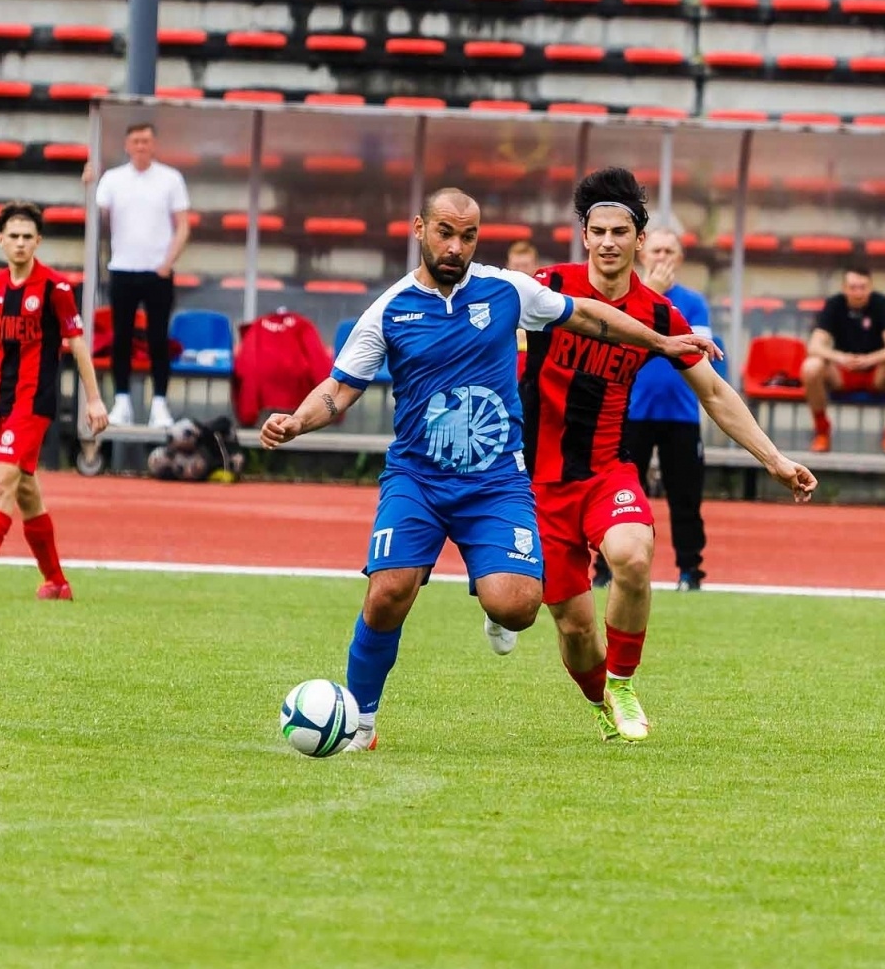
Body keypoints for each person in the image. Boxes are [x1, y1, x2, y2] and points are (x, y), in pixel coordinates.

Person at [260, 188, 716, 752]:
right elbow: (338, 390)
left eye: (468, 236)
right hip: (418, 479)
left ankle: (495, 591)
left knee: (519, 607)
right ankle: (363, 723)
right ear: (420, 228)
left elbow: (591, 317)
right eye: (445, 233)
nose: (456, 247)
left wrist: (660, 342)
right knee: (388, 592)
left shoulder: (506, 290)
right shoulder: (390, 309)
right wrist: (295, 423)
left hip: (496, 481)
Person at [518, 168, 817, 743]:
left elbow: (713, 392)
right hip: (539, 484)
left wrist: (774, 460)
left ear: (639, 238)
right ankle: (600, 696)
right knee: (576, 629)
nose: (608, 242)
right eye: (597, 230)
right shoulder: (546, 287)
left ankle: (624, 683)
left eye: (620, 231)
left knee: (632, 555)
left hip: (608, 469)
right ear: (584, 236)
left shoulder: (658, 313)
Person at [0, 203, 110, 600]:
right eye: (13, 236)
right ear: (1, 240)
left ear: (38, 242)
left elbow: (78, 344)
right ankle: (57, 583)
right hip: (0, 400)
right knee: (27, 491)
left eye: (27, 237)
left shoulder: (55, 288)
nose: (19, 243)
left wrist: (94, 400)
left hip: (33, 402)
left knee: (1, 481)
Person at [616, 224, 721, 591]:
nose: (661, 257)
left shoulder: (692, 303)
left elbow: (700, 352)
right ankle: (605, 568)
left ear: (680, 258)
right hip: (632, 411)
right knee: (619, 492)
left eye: (668, 252)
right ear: (642, 254)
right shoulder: (629, 298)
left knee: (685, 497)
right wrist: (651, 295)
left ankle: (690, 571)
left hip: (680, 414)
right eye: (656, 251)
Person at [88, 122, 191, 429]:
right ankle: (121, 401)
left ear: (154, 144)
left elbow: (183, 224)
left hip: (157, 271)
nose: (141, 146)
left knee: (158, 338)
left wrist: (168, 262)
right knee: (122, 336)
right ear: (126, 145)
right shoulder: (113, 179)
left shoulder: (170, 178)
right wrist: (88, 185)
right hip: (123, 268)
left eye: (146, 141)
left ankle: (159, 403)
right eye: (136, 141)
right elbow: (97, 215)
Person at [800, 266, 885, 455]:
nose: (858, 292)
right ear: (844, 288)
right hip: (841, 374)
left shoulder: (881, 303)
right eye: (853, 287)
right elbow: (814, 346)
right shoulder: (834, 304)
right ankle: (822, 431)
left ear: (871, 287)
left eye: (863, 287)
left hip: (876, 374)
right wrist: (841, 358)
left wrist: (869, 359)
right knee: (811, 366)